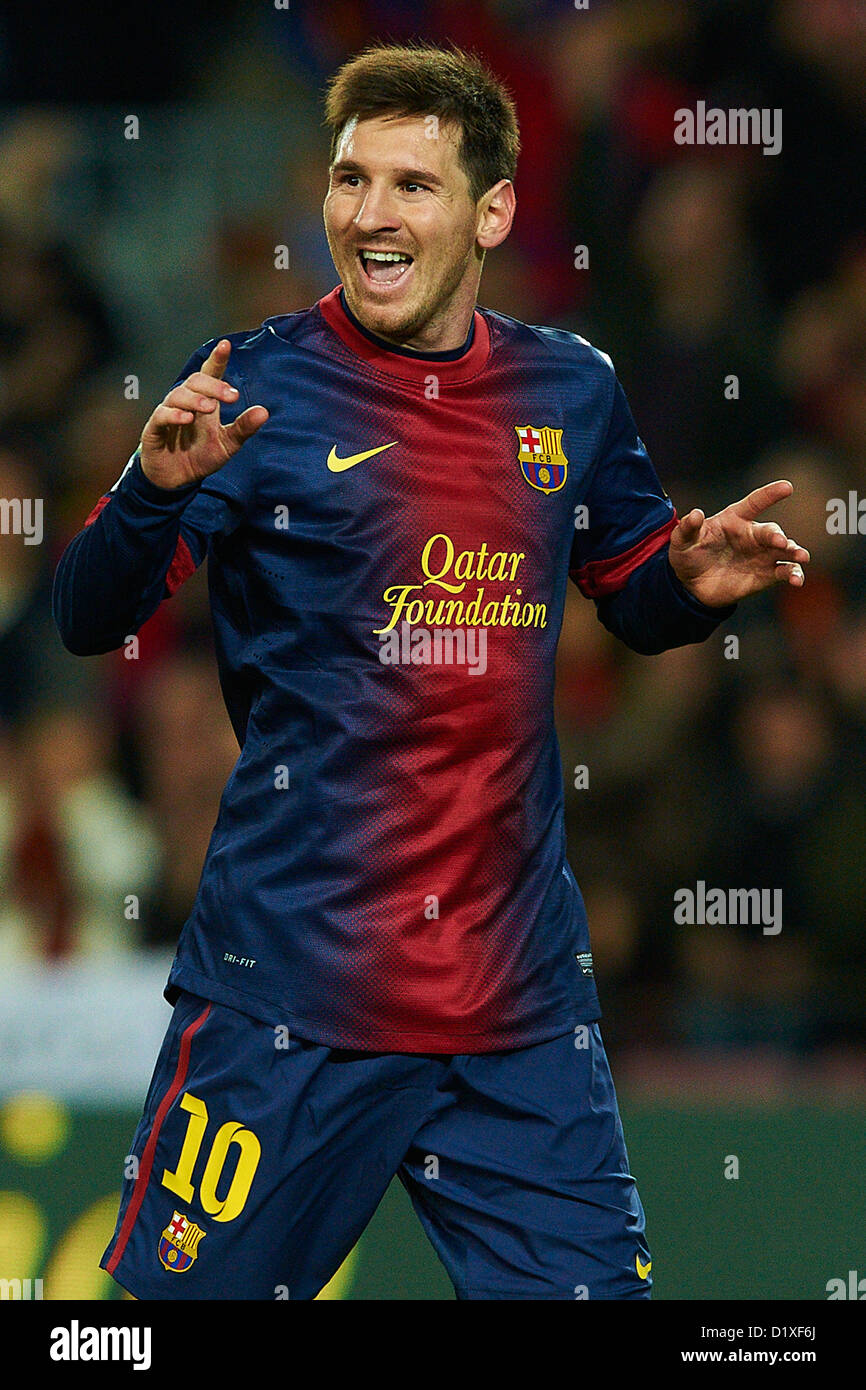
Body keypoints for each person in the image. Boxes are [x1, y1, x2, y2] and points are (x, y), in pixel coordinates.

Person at [53, 43, 809, 1301]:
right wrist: (146, 491)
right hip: (293, 996)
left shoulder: (570, 389)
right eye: (352, 180)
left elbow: (626, 590)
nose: (370, 214)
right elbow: (88, 616)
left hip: (511, 1011)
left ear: (492, 210)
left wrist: (686, 586)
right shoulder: (252, 390)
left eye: (411, 183)